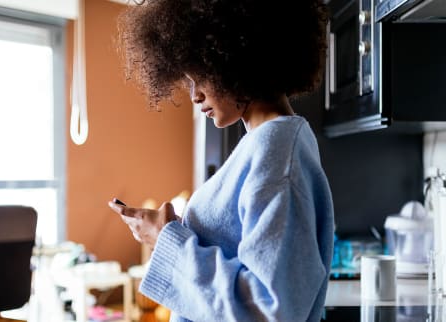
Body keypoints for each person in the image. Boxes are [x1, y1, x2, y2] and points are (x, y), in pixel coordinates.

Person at [109, 1, 334, 321]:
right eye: (188, 82)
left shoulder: (277, 150)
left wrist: (165, 241)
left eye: (199, 77)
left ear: (237, 57)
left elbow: (271, 309)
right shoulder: (267, 145)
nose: (194, 95)